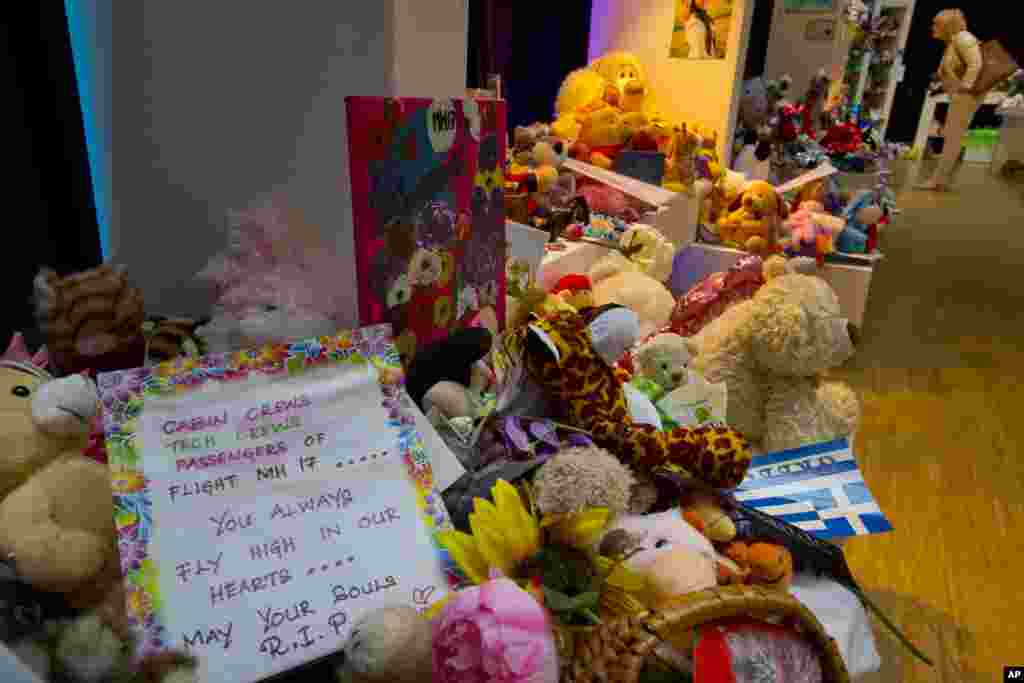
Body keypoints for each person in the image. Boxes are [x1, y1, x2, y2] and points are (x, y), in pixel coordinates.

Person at [916, 9, 985, 191]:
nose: (933, 27)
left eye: (936, 24)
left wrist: (965, 87)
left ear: (947, 25)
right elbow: (949, 69)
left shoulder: (963, 38)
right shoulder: (954, 41)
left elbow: (976, 64)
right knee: (951, 136)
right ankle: (940, 179)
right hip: (960, 95)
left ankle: (938, 180)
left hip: (966, 96)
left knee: (953, 137)